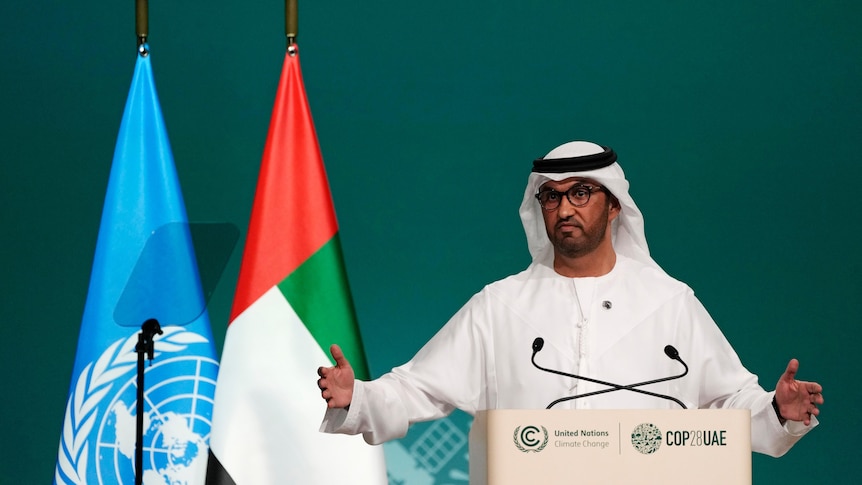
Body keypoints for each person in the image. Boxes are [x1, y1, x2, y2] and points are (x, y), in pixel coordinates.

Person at [316, 141, 823, 457]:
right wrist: (356, 397)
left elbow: (729, 401)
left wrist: (777, 410)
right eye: (552, 196)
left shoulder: (669, 303)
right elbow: (417, 388)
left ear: (614, 208)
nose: (564, 207)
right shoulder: (501, 305)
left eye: (581, 192)